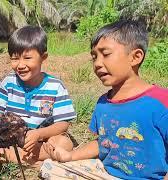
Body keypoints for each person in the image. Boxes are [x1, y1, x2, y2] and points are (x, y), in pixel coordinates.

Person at [41, 19, 168, 179]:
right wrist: (70, 156)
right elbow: (102, 142)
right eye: (94, 57)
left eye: (106, 54)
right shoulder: (103, 103)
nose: (97, 64)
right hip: (107, 173)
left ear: (135, 57)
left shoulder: (161, 101)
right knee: (49, 167)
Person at [0, 25, 76, 165]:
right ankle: (23, 158)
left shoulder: (55, 86)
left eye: (27, 58)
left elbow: (63, 124)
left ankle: (11, 156)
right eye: (14, 58)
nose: (20, 65)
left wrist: (39, 134)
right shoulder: (8, 83)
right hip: (9, 136)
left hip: (40, 139)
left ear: (43, 57)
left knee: (64, 143)